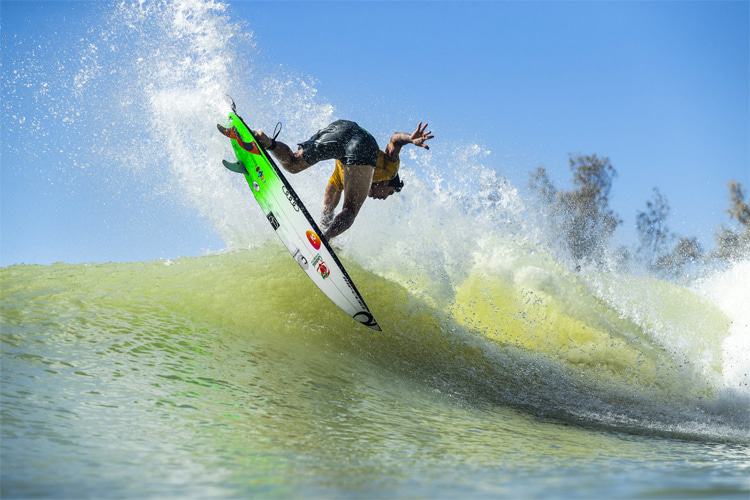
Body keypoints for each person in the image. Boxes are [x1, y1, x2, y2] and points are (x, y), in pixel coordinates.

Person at [253, 120, 433, 240]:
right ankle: (325, 240)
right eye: (389, 193)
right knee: (350, 210)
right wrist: (409, 138)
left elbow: (328, 208)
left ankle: (266, 141)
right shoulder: (390, 170)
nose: (384, 198)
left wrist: (324, 231)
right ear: (388, 183)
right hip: (363, 143)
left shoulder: (341, 176)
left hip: (340, 128)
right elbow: (395, 139)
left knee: (292, 164)